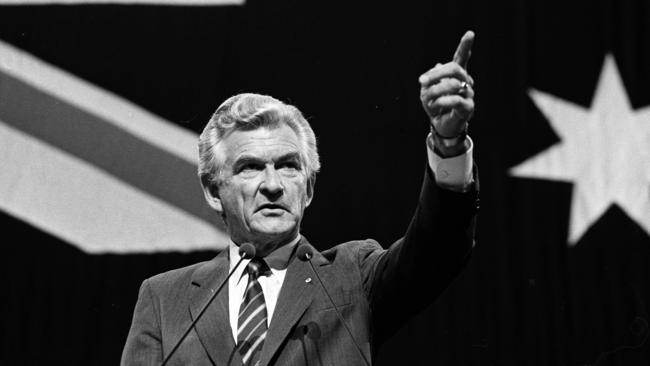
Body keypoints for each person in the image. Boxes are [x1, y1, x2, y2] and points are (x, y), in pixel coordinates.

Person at [121, 31, 479, 366]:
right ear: (214, 191)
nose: (273, 184)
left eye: (289, 166)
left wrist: (449, 146)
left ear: (308, 189)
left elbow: (438, 250)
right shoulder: (165, 299)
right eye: (250, 168)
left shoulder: (353, 277)